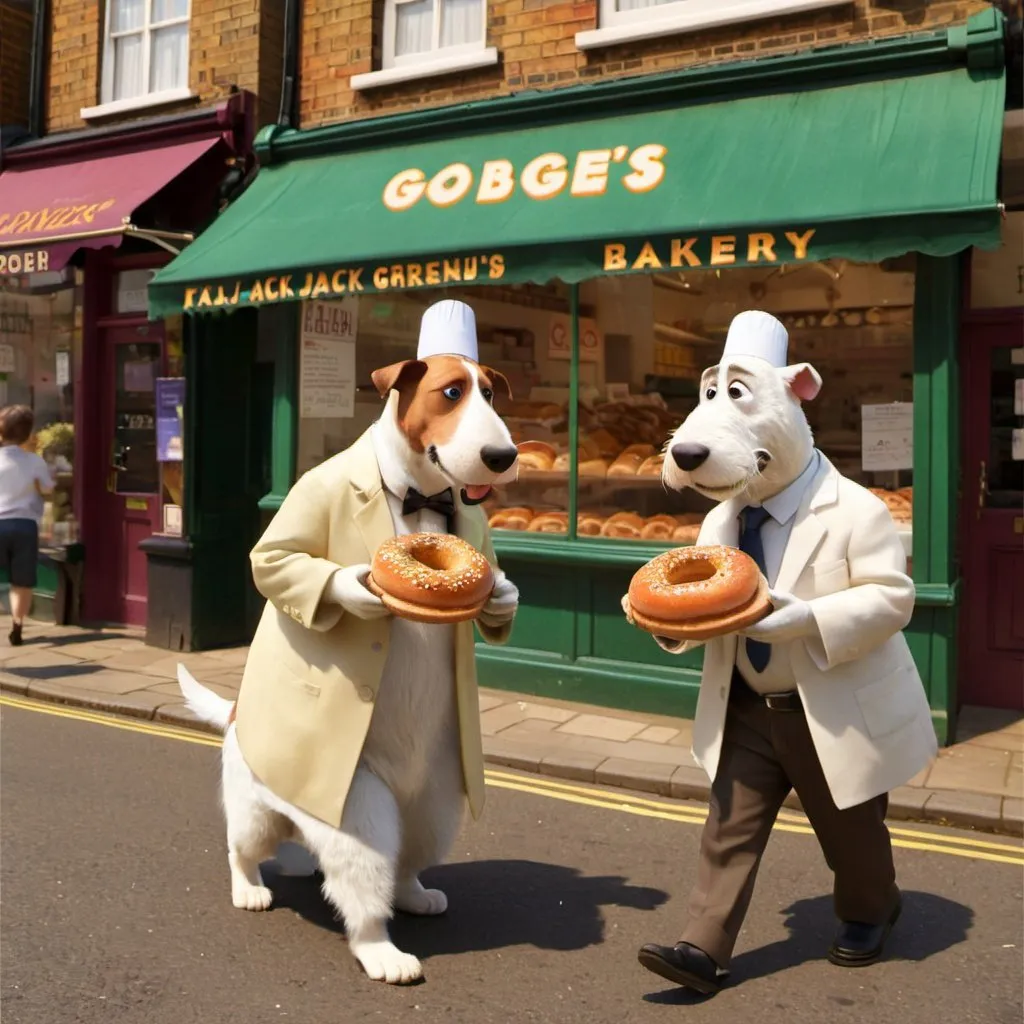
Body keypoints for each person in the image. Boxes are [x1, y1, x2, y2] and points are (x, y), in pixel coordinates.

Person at [0, 405, 55, 646]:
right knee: (21, 582)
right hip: (24, 525)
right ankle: (17, 625)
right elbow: (48, 489)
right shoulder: (35, 461)